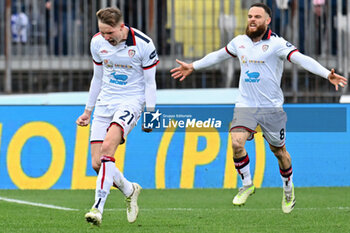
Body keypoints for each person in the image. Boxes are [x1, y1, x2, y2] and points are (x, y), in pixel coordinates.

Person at [170, 3, 347, 214]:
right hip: (246, 105)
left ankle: (288, 187)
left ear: (267, 20)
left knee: (279, 152)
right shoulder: (240, 42)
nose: (252, 20)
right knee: (236, 143)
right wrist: (193, 66)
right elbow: (218, 55)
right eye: (250, 16)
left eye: (257, 17)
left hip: (271, 108)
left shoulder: (277, 44)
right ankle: (246, 184)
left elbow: (301, 59)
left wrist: (327, 74)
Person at [76, 7, 159, 225]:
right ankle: (130, 189)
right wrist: (88, 110)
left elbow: (150, 83)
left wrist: (150, 112)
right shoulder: (97, 43)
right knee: (97, 163)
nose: (106, 37)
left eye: (109, 33)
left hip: (131, 101)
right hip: (105, 101)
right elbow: (97, 77)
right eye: (102, 32)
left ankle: (97, 208)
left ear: (121, 27)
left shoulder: (143, 44)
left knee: (107, 149)